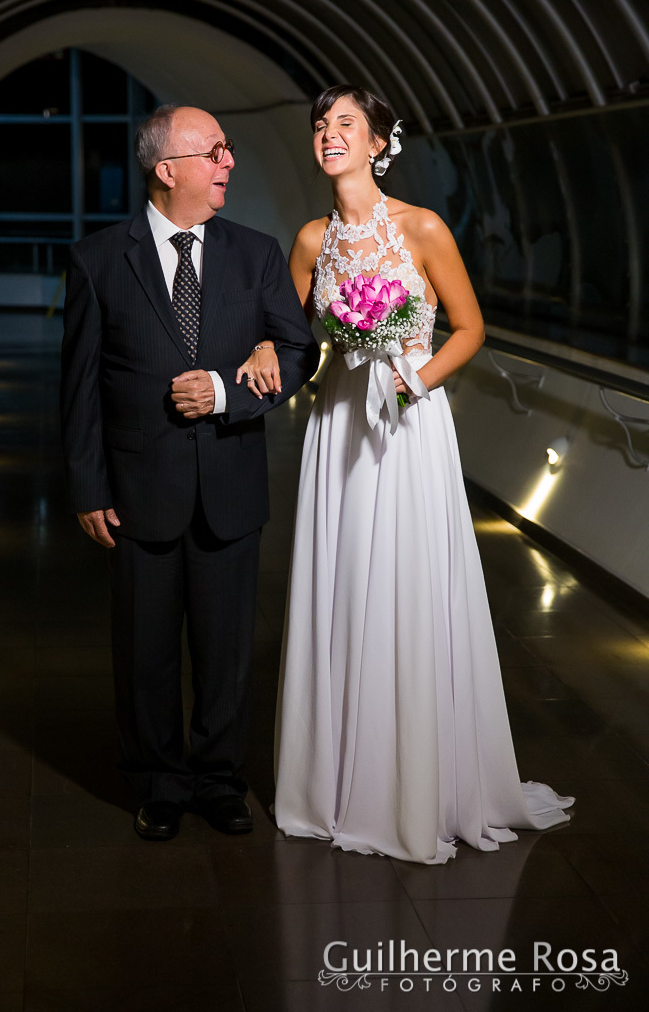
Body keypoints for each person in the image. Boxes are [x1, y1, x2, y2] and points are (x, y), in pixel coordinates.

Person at [239, 85, 573, 864]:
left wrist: (412, 382)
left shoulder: (421, 226)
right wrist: (262, 350)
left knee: (409, 584)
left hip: (410, 424)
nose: (328, 134)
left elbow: (470, 326)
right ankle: (335, 787)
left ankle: (421, 783)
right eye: (321, 125)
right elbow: (291, 340)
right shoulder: (311, 239)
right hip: (338, 428)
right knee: (344, 581)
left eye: (344, 124)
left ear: (379, 141)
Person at [60, 104, 319, 842]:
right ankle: (158, 783)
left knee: (227, 648)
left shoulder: (257, 253)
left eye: (229, 150)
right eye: (214, 152)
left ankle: (219, 779)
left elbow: (297, 351)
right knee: (144, 651)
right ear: (166, 168)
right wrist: (87, 486)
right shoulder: (98, 259)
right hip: (139, 491)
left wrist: (232, 391)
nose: (228, 163)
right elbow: (77, 387)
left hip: (231, 488)